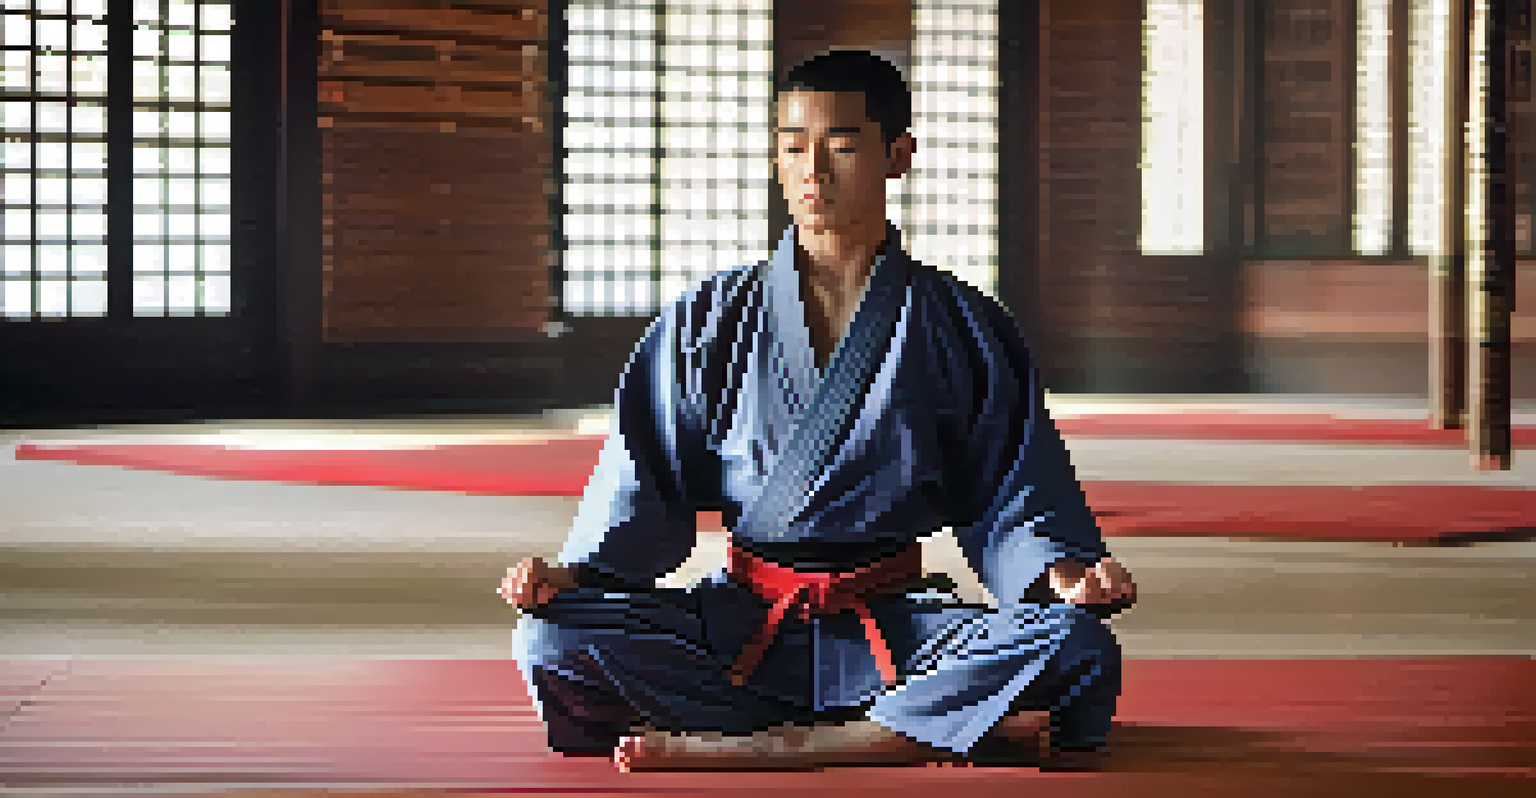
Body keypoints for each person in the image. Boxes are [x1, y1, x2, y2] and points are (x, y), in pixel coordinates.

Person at [501, 49, 1136, 772]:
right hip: (739, 626)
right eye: (794, 146)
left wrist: (1060, 574)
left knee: (1075, 644)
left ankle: (795, 744)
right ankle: (931, 727)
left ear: (897, 155)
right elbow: (641, 479)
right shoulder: (710, 319)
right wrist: (573, 577)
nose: (814, 171)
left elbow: (1016, 489)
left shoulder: (962, 324)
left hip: (898, 626)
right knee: (550, 638)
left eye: (841, 145)